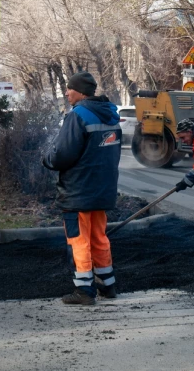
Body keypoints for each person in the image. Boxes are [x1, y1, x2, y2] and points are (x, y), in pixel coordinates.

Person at [42, 71, 122, 306]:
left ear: (80, 91)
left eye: (69, 89)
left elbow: (63, 155)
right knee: (99, 237)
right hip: (102, 190)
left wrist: (47, 159)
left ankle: (84, 291)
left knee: (78, 240)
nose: (66, 93)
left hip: (79, 191)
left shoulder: (78, 115)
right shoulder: (111, 115)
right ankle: (108, 286)